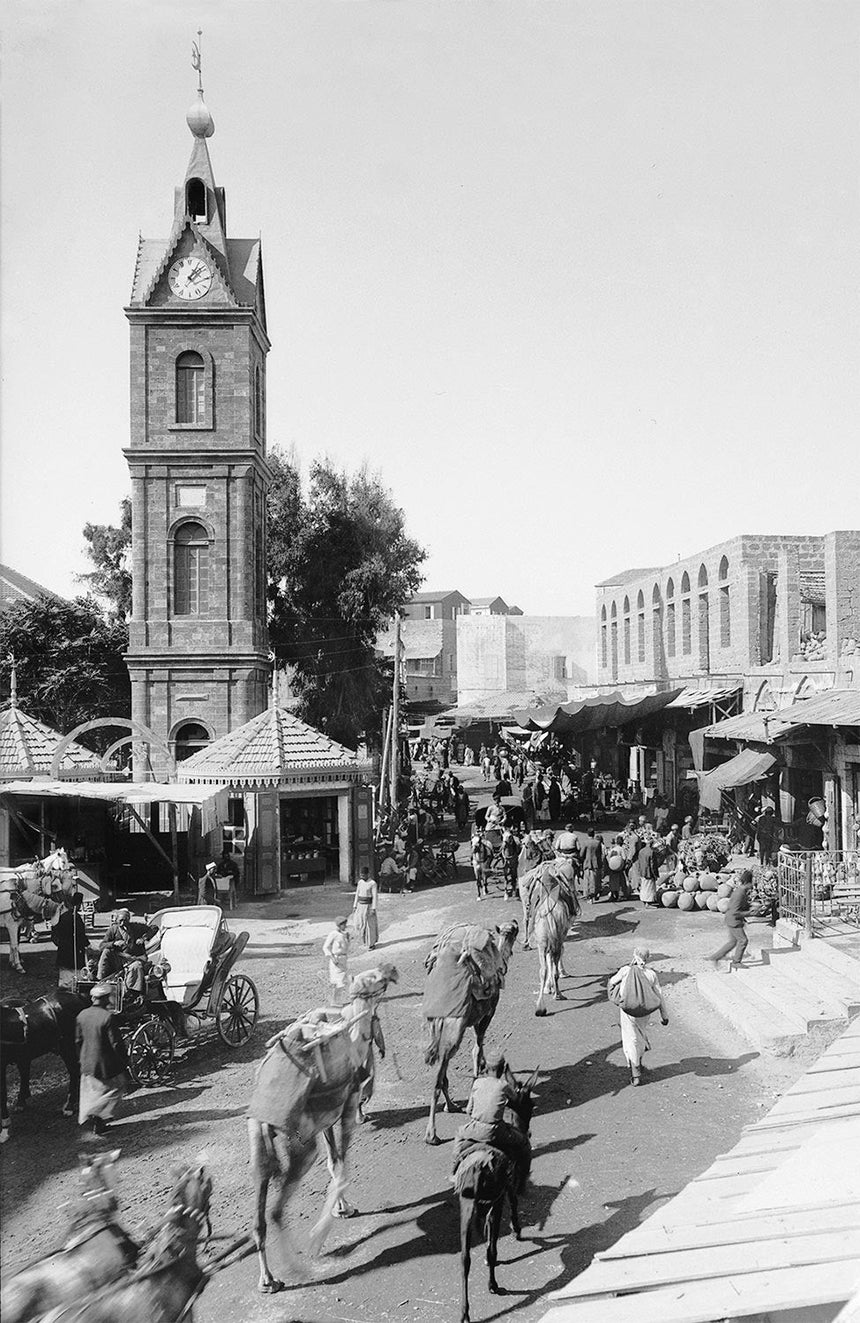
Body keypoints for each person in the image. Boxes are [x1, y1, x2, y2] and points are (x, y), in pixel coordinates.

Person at [452, 1052, 530, 1188]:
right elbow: (516, 1099)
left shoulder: (477, 1082)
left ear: (486, 1068)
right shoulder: (503, 1085)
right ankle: (520, 1183)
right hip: (496, 1131)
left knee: (459, 1133)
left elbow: (468, 1110)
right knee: (523, 1142)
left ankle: (455, 1168)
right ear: (502, 1069)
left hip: (474, 1129)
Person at [607, 947, 668, 1086]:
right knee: (640, 1035)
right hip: (645, 1012)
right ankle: (639, 1059)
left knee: (631, 1040)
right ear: (647, 958)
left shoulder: (625, 971)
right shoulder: (651, 974)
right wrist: (664, 1015)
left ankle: (635, 1073)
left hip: (628, 1011)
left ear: (635, 956)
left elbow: (612, 981)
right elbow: (659, 995)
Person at [76, 982, 130, 1136]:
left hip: (87, 1063)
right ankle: (95, 1113)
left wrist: (81, 1059)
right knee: (118, 1087)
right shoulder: (107, 1017)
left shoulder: (82, 1015)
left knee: (93, 1092)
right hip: (105, 1065)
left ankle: (97, 1122)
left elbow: (77, 1041)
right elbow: (116, 1044)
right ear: (106, 998)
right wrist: (124, 1061)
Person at [708, 869, 752, 970]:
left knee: (732, 942)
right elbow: (735, 911)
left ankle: (715, 957)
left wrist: (751, 906)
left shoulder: (741, 891)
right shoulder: (740, 893)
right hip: (734, 920)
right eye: (751, 883)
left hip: (732, 919)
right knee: (743, 940)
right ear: (748, 882)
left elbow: (739, 906)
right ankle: (736, 962)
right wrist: (750, 913)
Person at [52, 894, 95, 989]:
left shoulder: (62, 917)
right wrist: (87, 945)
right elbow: (80, 935)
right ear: (79, 904)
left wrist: (59, 943)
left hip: (63, 949)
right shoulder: (76, 918)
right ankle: (74, 988)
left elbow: (54, 934)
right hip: (74, 950)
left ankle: (64, 986)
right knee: (75, 971)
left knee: (65, 972)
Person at [322, 917, 351, 1006]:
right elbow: (325, 947)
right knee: (339, 981)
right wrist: (332, 958)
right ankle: (335, 1001)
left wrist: (348, 939)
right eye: (344, 924)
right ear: (339, 925)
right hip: (336, 959)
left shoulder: (344, 934)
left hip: (343, 959)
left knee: (342, 980)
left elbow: (346, 947)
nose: (345, 926)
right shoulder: (333, 934)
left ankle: (336, 1000)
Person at [352, 866, 379, 949]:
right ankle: (364, 942)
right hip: (360, 906)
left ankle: (371, 944)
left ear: (368, 874)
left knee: (369, 925)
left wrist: (373, 908)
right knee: (361, 924)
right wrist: (355, 905)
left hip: (369, 906)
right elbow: (357, 894)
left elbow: (375, 896)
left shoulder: (372, 883)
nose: (362, 876)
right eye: (361, 875)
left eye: (364, 875)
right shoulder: (360, 882)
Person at [579, 828, 604, 903]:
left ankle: (590, 897)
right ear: (594, 834)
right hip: (596, 863)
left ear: (587, 834)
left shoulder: (585, 842)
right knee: (596, 880)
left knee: (588, 881)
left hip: (587, 863)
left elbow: (581, 854)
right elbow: (600, 854)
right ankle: (596, 893)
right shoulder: (598, 842)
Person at [635, 838, 658, 906]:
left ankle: (644, 901)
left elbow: (639, 862)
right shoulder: (651, 852)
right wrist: (655, 874)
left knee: (644, 887)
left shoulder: (641, 851)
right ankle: (648, 903)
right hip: (649, 873)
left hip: (642, 872)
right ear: (651, 844)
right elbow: (652, 865)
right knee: (649, 888)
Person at [471, 829, 491, 900]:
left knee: (484, 874)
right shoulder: (474, 827)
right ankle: (478, 893)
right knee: (477, 878)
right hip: (476, 860)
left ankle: (485, 886)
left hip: (481, 839)